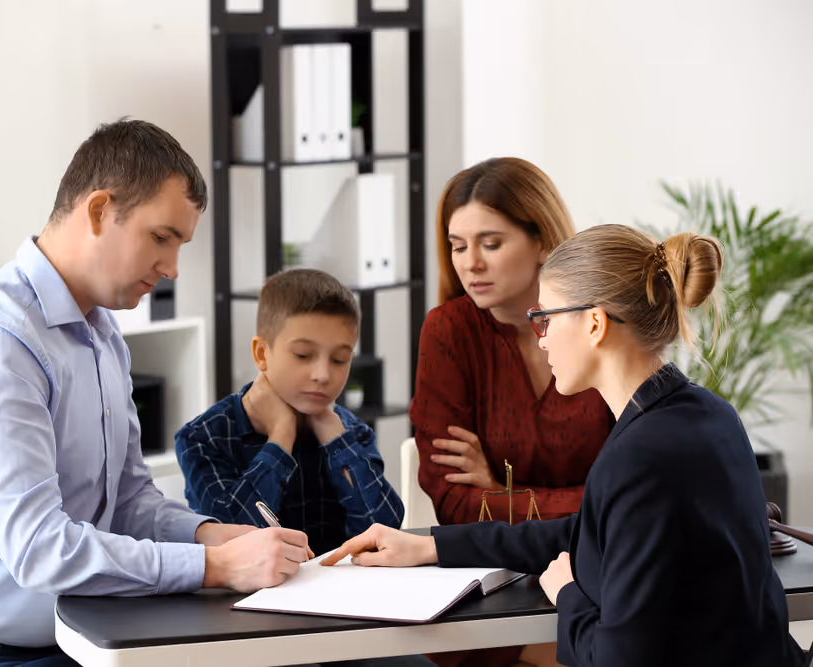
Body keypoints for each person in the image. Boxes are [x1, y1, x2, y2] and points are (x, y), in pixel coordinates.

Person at [0, 120, 313, 667]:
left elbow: (127, 504)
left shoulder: (101, 335)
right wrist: (215, 567)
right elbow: (39, 551)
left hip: (70, 639)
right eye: (161, 238)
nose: (172, 268)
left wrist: (216, 537)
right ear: (100, 210)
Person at [324, 225, 807, 667]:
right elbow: (590, 531)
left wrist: (568, 593)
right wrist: (429, 544)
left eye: (546, 317)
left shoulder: (638, 456)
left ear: (595, 324)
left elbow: (616, 661)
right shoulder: (710, 415)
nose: (542, 338)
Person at [413, 159, 613, 666]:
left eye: (491, 243)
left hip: (604, 574)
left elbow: (634, 502)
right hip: (495, 588)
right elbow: (455, 508)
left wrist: (501, 494)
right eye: (458, 246)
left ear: (543, 241)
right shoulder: (448, 332)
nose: (470, 263)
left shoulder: (599, 326)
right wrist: (584, 506)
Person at [176, 268, 404, 558]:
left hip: (337, 598)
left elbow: (386, 532)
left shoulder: (350, 433)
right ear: (261, 354)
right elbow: (232, 541)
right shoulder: (204, 438)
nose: (322, 375)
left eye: (339, 359)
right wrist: (281, 435)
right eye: (303, 355)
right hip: (241, 602)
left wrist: (335, 440)